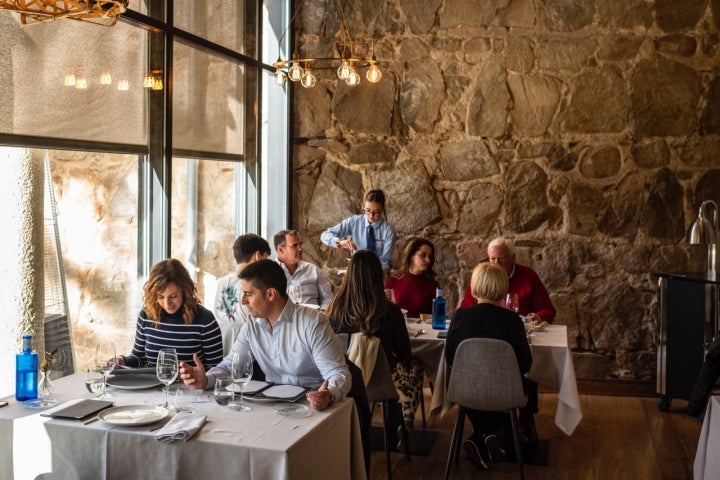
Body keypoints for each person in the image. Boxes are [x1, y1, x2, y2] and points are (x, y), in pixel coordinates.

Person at [178, 259, 350, 412]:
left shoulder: (312, 323)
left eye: (249, 294)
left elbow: (339, 374)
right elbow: (231, 366)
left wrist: (329, 394)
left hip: (311, 408)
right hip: (273, 407)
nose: (243, 301)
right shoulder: (252, 325)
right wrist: (204, 380)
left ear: (270, 294)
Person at [459, 236, 555, 445]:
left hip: (499, 352)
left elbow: (547, 309)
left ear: (513, 258)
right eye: (491, 259)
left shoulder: (528, 276)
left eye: (500, 259)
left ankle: (511, 423)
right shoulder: (483, 275)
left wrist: (539, 316)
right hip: (498, 353)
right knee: (517, 365)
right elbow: (526, 363)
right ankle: (491, 430)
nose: (494, 264)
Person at [326, 249, 424, 452]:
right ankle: (402, 421)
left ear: (350, 276)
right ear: (378, 276)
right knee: (414, 367)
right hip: (382, 383)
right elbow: (404, 354)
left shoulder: (334, 311)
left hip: (347, 383)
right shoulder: (390, 311)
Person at [445, 262, 532, 470]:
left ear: (474, 287)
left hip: (465, 389)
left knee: (477, 390)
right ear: (503, 289)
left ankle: (481, 436)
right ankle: (489, 434)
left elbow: (449, 358)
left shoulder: (460, 316)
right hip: (505, 392)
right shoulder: (513, 320)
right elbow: (526, 364)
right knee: (508, 388)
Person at [118, 258, 223, 369]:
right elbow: (139, 358)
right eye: (160, 297)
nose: (167, 303)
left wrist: (194, 376)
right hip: (151, 385)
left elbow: (217, 369)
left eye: (173, 296)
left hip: (188, 386)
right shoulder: (146, 316)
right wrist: (123, 360)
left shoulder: (205, 320)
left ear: (185, 291)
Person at [214, 233, 271, 354]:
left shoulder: (220, 283)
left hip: (221, 350)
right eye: (266, 257)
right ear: (257, 255)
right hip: (251, 353)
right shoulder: (256, 286)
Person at [320, 189, 395, 272]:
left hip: (377, 274)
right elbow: (325, 235)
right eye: (367, 210)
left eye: (376, 212)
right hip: (355, 272)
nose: (371, 216)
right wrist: (340, 242)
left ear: (382, 209)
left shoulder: (388, 231)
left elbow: (386, 263)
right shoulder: (354, 222)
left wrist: (369, 272)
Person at [273, 229, 333, 310]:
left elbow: (327, 298)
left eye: (300, 245)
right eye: (294, 245)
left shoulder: (313, 270)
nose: (300, 249)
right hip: (283, 320)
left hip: (313, 319)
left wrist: (322, 314)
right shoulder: (269, 272)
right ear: (281, 249)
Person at [385, 237, 439, 318]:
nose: (428, 260)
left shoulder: (432, 285)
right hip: (396, 328)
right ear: (411, 256)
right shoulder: (393, 281)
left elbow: (436, 317)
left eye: (430, 257)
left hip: (422, 329)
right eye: (423, 255)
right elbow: (384, 310)